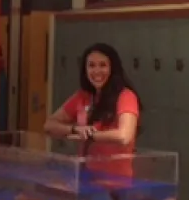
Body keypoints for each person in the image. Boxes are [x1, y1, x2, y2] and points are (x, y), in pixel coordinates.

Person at [44, 42, 141, 178]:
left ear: (113, 68)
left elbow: (124, 136)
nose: (96, 71)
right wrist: (75, 129)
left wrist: (89, 136)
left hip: (115, 180)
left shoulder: (125, 96)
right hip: (85, 176)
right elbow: (49, 125)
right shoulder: (82, 96)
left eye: (103, 65)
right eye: (91, 65)